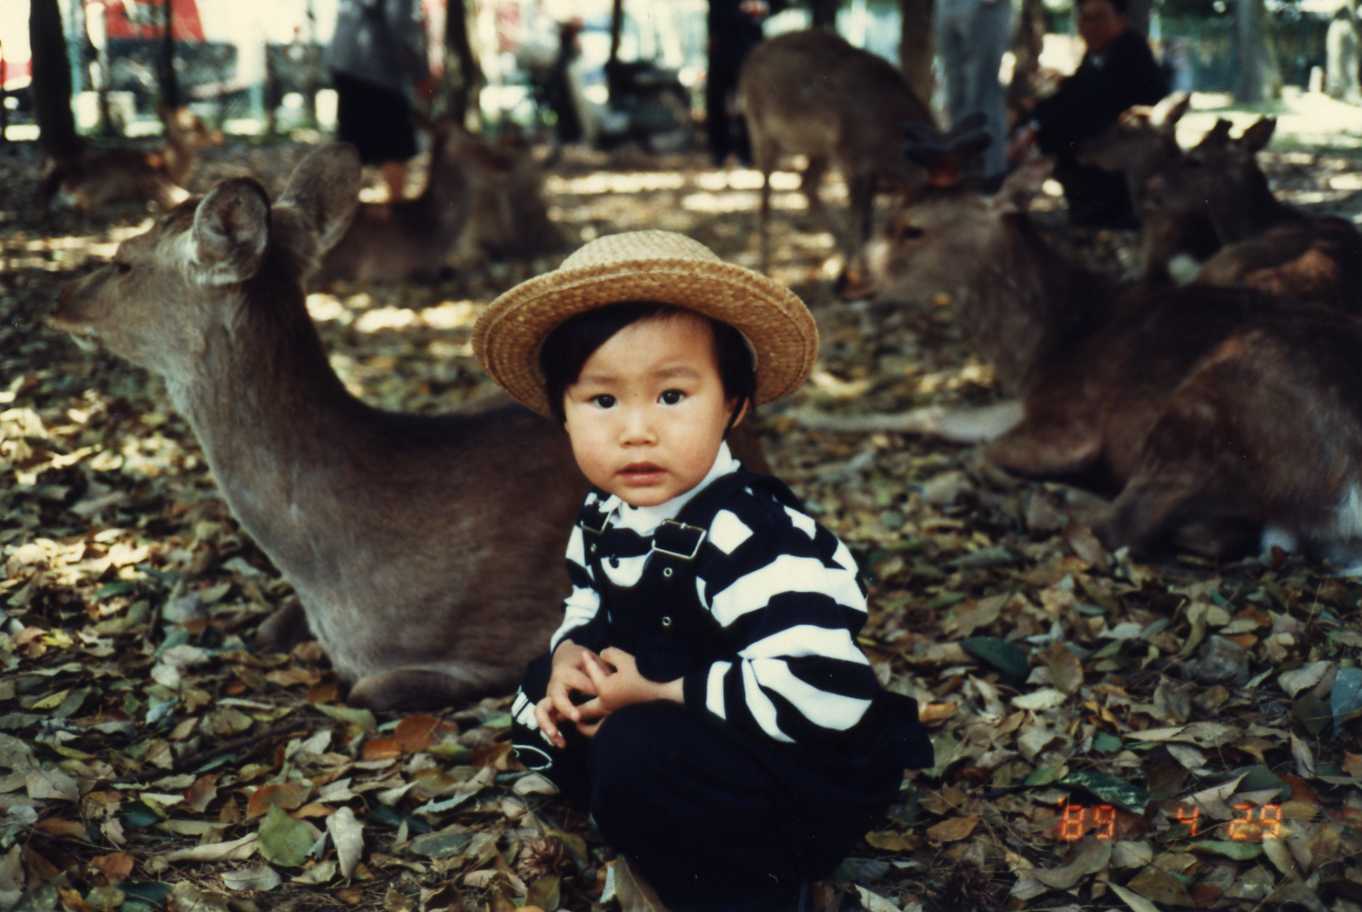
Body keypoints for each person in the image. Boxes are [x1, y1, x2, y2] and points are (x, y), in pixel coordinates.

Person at [472, 230, 932, 910]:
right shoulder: (605, 513)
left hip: (789, 766)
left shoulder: (753, 537)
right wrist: (572, 652)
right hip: (675, 722)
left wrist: (657, 692)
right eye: (602, 401)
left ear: (733, 405)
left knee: (640, 750)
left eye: (671, 396)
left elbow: (826, 693)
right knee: (547, 687)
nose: (636, 431)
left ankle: (761, 888)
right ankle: (644, 827)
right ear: (562, 415)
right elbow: (588, 599)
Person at [1008, 0, 1168, 228]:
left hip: (1118, 161)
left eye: (1098, 18)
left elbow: (1093, 104)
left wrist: (1038, 127)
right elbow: (1073, 93)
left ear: (1120, 21)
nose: (1088, 26)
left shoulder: (1130, 53)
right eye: (1083, 18)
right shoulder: (1097, 55)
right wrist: (1031, 123)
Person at [327, 0, 429, 204]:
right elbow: (400, 26)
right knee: (395, 146)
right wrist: (420, 73)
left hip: (345, 62)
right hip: (378, 69)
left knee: (352, 143)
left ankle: (345, 216)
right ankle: (396, 212)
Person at [936, 0, 1013, 187]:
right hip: (947, 6)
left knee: (983, 98)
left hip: (986, 7)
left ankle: (991, 183)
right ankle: (965, 181)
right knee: (955, 99)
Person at [706, 0, 782, 166]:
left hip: (749, 45)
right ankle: (720, 153)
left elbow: (776, 4)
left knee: (750, 101)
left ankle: (747, 154)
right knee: (717, 100)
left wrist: (762, 6)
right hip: (721, 44)